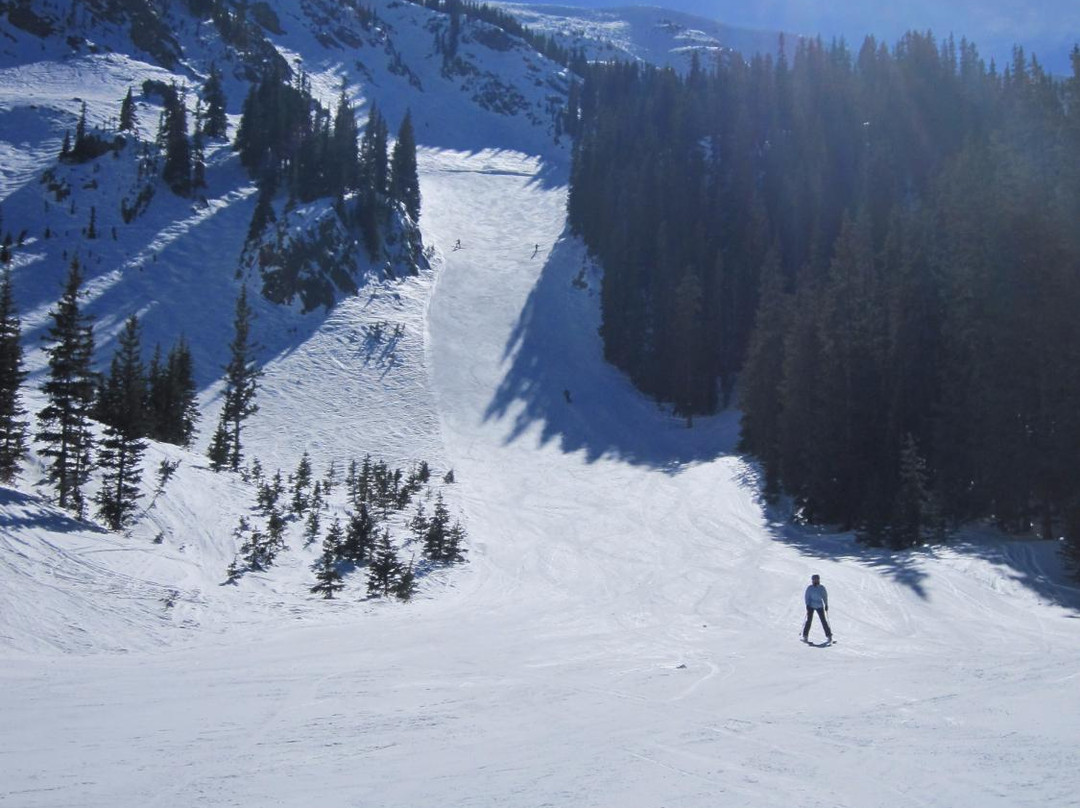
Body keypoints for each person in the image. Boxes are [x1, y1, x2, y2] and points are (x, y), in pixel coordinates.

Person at [802, 573, 832, 642]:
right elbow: (807, 597)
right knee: (809, 621)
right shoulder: (810, 588)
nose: (816, 581)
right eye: (814, 580)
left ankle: (829, 635)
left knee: (823, 621)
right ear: (812, 580)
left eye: (817, 579)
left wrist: (826, 604)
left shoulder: (821, 588)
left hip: (819, 606)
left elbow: (825, 596)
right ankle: (805, 636)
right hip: (811, 606)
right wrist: (807, 605)